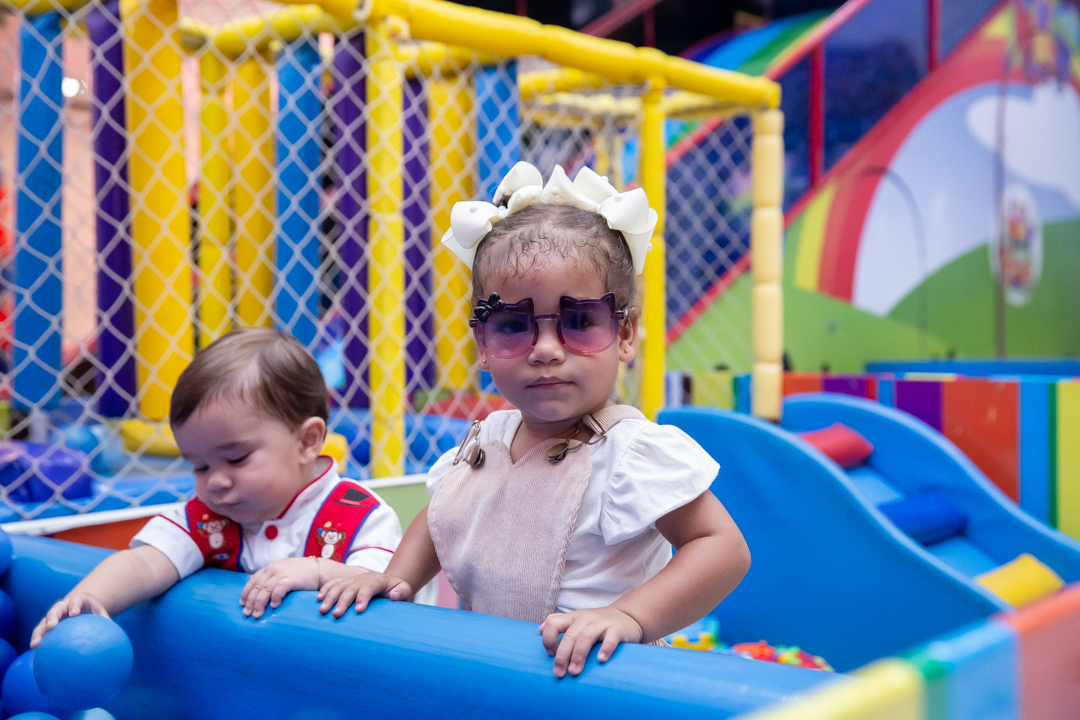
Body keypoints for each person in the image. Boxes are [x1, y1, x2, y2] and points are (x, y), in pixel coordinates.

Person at [316, 162, 750, 678]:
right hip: (496, 675)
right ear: (481, 342)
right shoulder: (485, 441)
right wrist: (397, 577)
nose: (546, 350)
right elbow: (441, 518)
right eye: (513, 325)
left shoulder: (629, 451)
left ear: (627, 333)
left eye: (579, 321)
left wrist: (629, 616)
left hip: (599, 680)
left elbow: (721, 547)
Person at [30, 328, 402, 647]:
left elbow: (384, 584)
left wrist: (316, 571)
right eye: (199, 466)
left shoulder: (357, 515)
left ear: (307, 441)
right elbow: (144, 562)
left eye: (237, 459)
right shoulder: (209, 519)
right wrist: (92, 598)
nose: (216, 481)